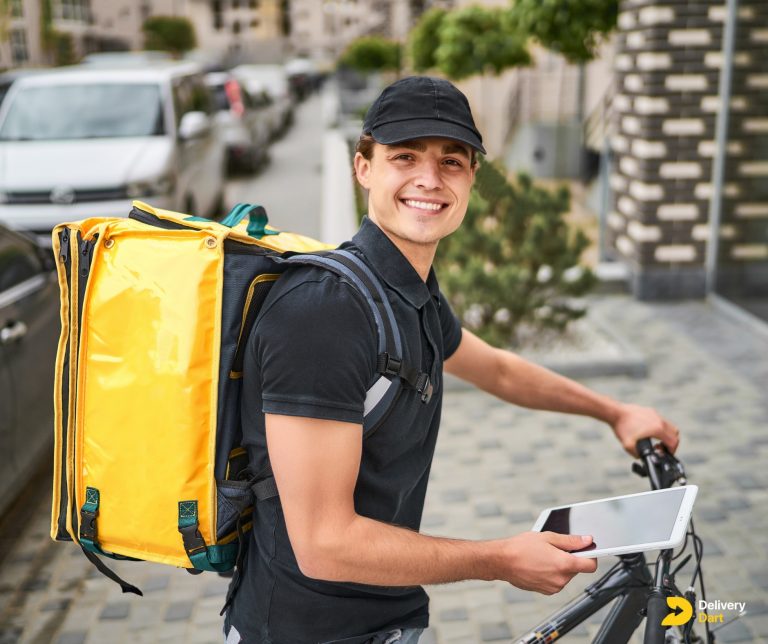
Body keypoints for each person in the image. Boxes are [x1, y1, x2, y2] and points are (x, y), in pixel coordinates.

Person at [224, 76, 680, 644]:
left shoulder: (404, 289)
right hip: (303, 630)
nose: (429, 180)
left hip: (384, 617)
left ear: (470, 179)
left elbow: (498, 368)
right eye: (404, 156)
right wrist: (499, 559)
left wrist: (614, 411)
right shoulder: (325, 312)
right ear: (362, 167)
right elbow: (323, 543)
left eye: (452, 161)